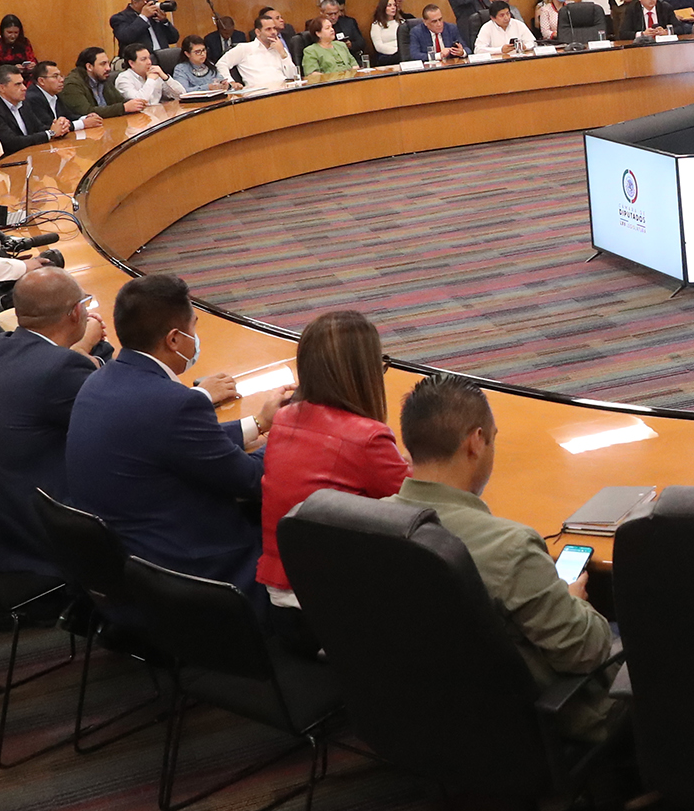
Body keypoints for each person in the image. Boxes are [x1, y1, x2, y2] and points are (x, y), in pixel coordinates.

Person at [390, 372, 619, 739]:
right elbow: (585, 651)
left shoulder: (368, 522)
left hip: (415, 719)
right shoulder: (510, 547)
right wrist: (575, 602)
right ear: (476, 442)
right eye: (493, 439)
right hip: (535, 727)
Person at [65, 273, 276, 590]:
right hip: (196, 573)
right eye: (193, 328)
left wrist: (257, 423)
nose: (196, 338)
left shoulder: (98, 381)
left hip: (130, 564)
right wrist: (284, 432)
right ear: (174, 339)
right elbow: (252, 480)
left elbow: (181, 442)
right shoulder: (175, 404)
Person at [254, 310, 408, 640]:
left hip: (281, 604)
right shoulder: (368, 438)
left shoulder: (284, 418)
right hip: (329, 618)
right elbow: (421, 501)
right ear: (362, 373)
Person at [0, 267, 109, 580]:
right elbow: (124, 422)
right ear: (76, 313)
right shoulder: (59, 368)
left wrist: (82, 351)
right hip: (38, 534)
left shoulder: (0, 346)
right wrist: (200, 396)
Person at [0, 64, 67, 153]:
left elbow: (38, 128)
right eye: (18, 84)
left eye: (23, 83)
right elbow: (12, 142)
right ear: (2, 88)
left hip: (30, 154)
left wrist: (60, 127)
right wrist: (51, 133)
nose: (24, 88)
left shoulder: (22, 101)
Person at [217, 10, 304, 88]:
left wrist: (283, 54)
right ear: (258, 32)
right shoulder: (245, 48)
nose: (273, 32)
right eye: (268, 29)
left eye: (274, 28)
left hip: (283, 91)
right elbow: (221, 64)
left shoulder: (280, 48)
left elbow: (293, 76)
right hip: (259, 94)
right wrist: (230, 82)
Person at [60, 47, 144, 119]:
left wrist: (135, 104)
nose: (108, 68)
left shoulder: (102, 77)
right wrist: (123, 108)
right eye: (103, 64)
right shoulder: (72, 84)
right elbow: (86, 112)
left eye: (108, 63)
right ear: (89, 67)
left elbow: (119, 101)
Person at [110, 0, 179, 58]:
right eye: (147, 2)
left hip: (163, 58)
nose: (150, 4)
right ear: (135, 3)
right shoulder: (120, 18)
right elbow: (126, 37)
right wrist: (143, 17)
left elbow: (174, 38)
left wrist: (164, 21)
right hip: (141, 61)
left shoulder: (154, 15)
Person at [115, 42, 187, 104]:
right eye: (144, 59)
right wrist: (151, 80)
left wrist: (165, 77)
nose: (149, 62)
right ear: (132, 63)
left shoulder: (154, 74)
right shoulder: (124, 79)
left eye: (149, 58)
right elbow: (140, 102)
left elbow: (181, 94)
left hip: (158, 112)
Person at [368, 0, 407, 66]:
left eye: (394, 5)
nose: (393, 8)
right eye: (389, 5)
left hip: (402, 53)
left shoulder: (402, 22)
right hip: (386, 55)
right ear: (383, 8)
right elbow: (379, 46)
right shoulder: (377, 25)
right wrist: (397, 51)